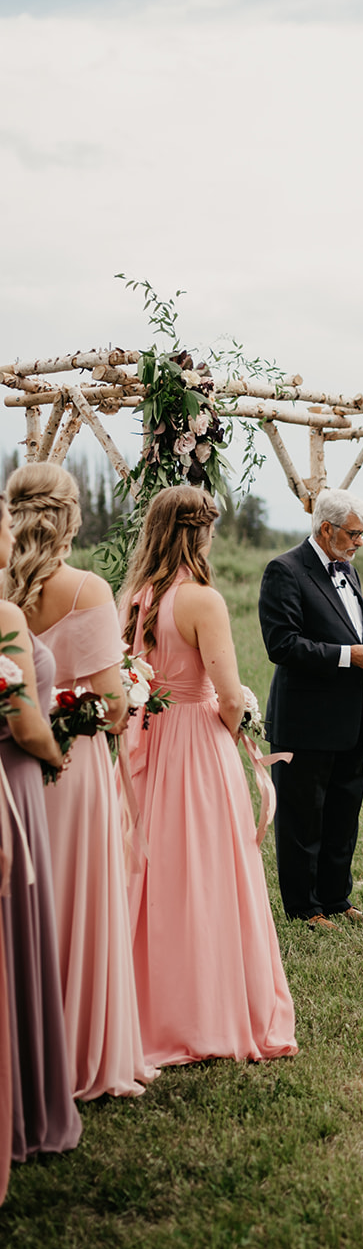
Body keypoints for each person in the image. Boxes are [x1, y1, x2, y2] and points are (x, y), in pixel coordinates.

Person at [120, 486, 297, 1067]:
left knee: (158, 871)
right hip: (197, 748)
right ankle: (208, 1013)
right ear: (201, 533)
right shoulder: (202, 600)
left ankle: (148, 1009)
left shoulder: (138, 596)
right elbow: (226, 695)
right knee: (209, 870)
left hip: (150, 742)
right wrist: (241, 712)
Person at [6, 464, 155, 1102]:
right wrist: (134, 686)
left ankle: (24, 1045)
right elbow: (113, 704)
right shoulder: (88, 590)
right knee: (79, 896)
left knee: (23, 905)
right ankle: (83, 1052)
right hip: (76, 766)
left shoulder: (1, 590)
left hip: (12, 770)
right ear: (71, 516)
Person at [258, 489, 363, 930]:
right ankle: (304, 908)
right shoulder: (284, 571)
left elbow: (350, 631)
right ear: (327, 529)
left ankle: (336, 899)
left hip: (349, 720)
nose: (360, 542)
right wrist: (348, 656)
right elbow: (281, 644)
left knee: (343, 815)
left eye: (362, 533)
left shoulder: (350, 572)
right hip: (304, 722)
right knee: (303, 818)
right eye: (354, 533)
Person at [0, 491, 82, 1164]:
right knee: (14, 939)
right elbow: (26, 721)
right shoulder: (1, 614)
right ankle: (23, 1106)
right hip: (13, 781)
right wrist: (56, 755)